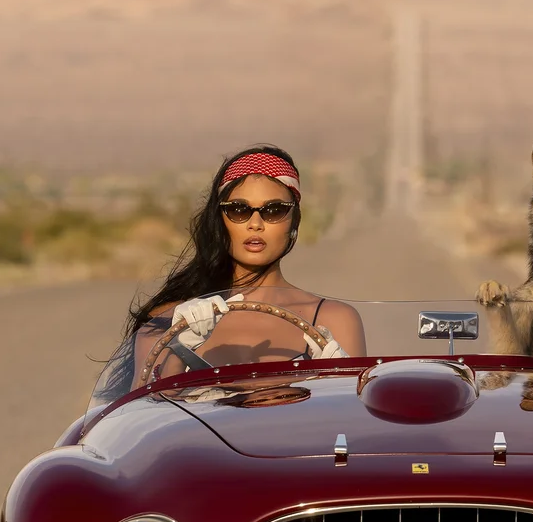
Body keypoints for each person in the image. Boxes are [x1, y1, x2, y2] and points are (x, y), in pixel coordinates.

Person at [111, 145, 366, 393]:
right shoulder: (170, 320)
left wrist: (338, 385)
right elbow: (141, 418)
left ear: (294, 222)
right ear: (219, 221)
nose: (255, 223)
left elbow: (347, 426)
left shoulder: (333, 319)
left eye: (274, 210)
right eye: (238, 210)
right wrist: (177, 349)